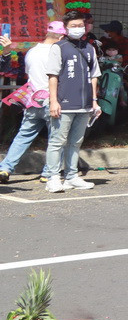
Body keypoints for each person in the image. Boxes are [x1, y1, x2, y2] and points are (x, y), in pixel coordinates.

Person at [0, 22, 64, 185]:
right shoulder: (59, 51)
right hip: (52, 100)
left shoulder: (32, 51)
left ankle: (5, 168)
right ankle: (49, 173)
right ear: (61, 36)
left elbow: (29, 74)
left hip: (32, 100)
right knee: (56, 138)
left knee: (24, 136)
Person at [44, 12, 101, 193]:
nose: (78, 28)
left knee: (76, 141)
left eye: (80, 25)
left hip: (84, 104)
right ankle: (52, 178)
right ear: (66, 28)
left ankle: (71, 176)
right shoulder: (59, 47)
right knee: (57, 141)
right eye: (74, 26)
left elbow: (94, 77)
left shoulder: (89, 48)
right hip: (64, 103)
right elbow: (52, 76)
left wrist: (94, 101)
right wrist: (54, 101)